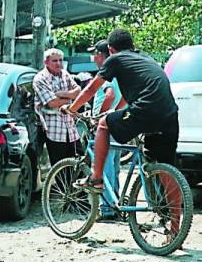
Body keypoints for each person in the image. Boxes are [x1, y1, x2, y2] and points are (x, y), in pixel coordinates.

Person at [66, 29, 179, 191]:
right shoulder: (146, 58)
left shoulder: (115, 60)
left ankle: (95, 178)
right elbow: (129, 95)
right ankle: (176, 216)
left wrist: (71, 109)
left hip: (145, 110)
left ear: (110, 50)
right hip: (169, 114)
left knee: (103, 124)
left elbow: (91, 89)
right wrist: (115, 112)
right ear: (132, 45)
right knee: (168, 171)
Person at [89, 40, 126, 219]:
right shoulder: (120, 73)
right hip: (119, 124)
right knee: (114, 166)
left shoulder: (106, 74)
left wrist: (101, 116)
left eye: (95, 53)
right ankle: (115, 202)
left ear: (102, 55)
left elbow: (109, 95)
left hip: (106, 126)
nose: (93, 57)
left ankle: (107, 208)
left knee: (104, 166)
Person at [33, 48, 82, 167]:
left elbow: (78, 91)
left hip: (70, 127)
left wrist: (61, 94)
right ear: (46, 62)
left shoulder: (65, 74)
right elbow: (52, 103)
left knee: (78, 165)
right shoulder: (40, 78)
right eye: (55, 61)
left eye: (60, 60)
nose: (58, 63)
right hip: (54, 129)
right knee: (59, 168)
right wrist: (70, 97)